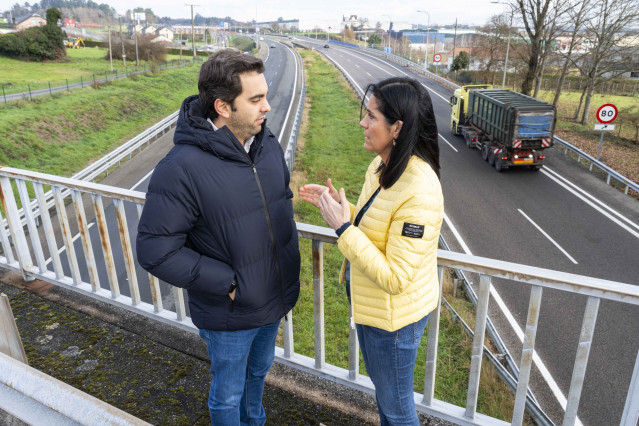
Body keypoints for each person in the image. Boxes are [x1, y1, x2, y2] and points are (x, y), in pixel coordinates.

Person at [136, 49, 300, 425]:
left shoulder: (266, 143)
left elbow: (280, 201)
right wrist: (227, 282)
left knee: (257, 377)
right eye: (256, 99)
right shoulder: (181, 168)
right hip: (229, 311)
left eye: (266, 96)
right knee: (228, 395)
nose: (268, 107)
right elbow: (155, 249)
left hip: (272, 297)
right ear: (223, 106)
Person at [299, 77, 443, 425]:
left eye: (371, 117)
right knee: (385, 394)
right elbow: (377, 228)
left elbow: (396, 278)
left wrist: (343, 228)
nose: (363, 123)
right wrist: (343, 209)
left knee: (396, 406)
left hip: (394, 320)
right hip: (373, 309)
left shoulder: (419, 189)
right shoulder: (382, 165)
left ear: (396, 127)